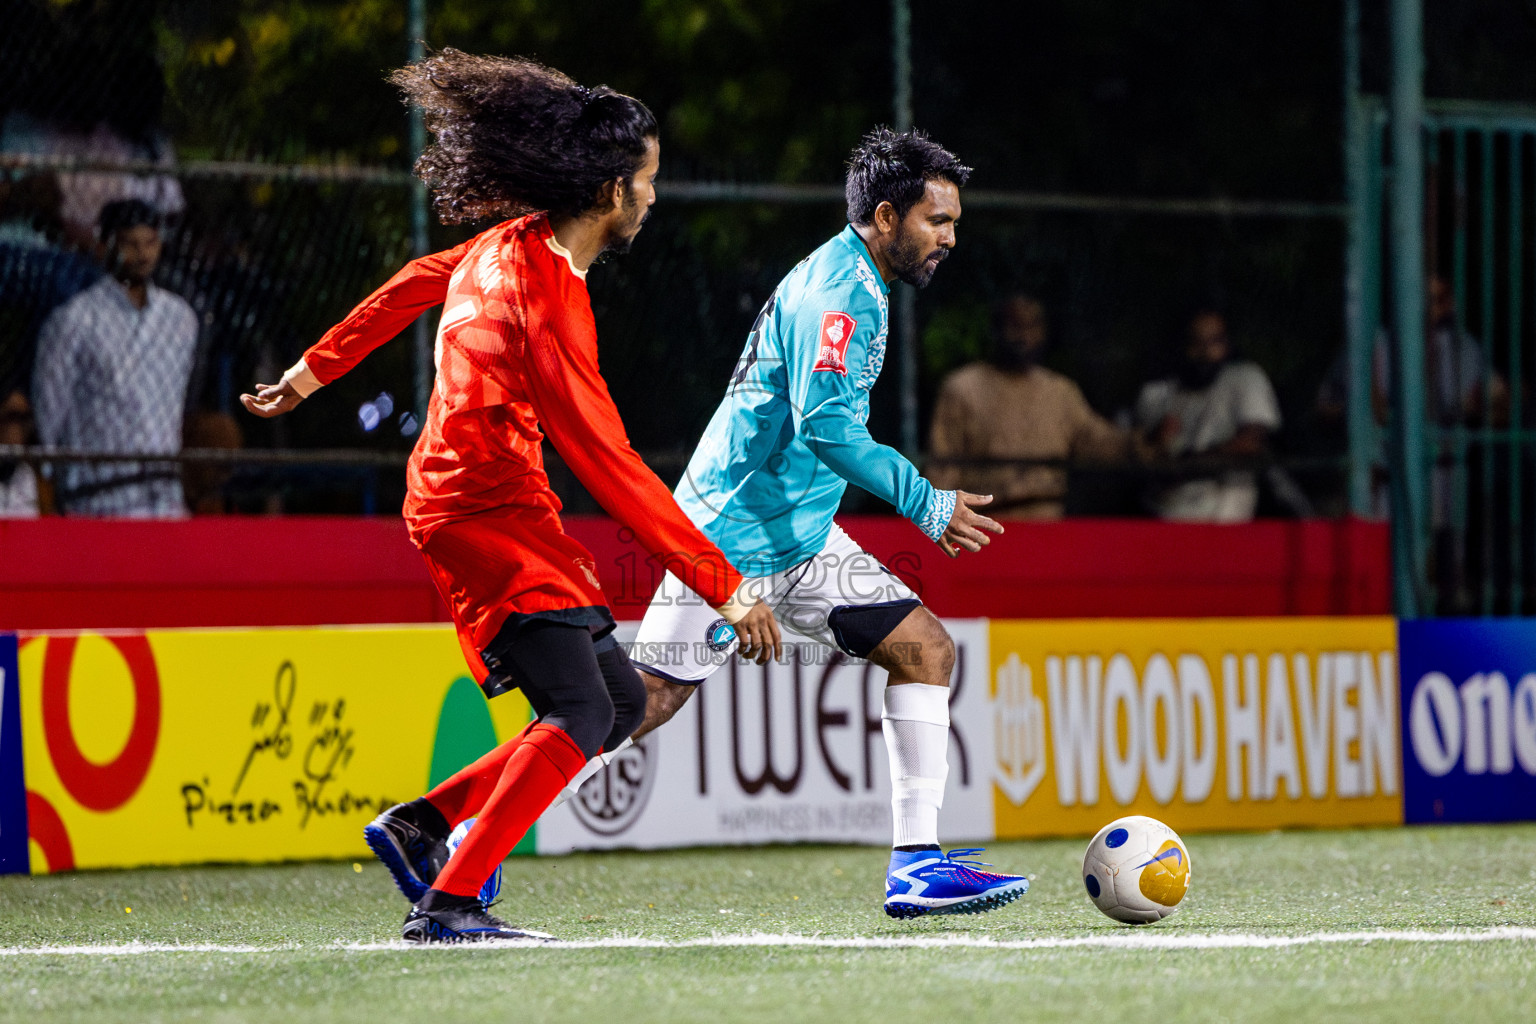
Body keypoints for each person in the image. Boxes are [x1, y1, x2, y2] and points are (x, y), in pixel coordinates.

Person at [240, 51, 780, 944]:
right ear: (612, 191)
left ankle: (419, 824)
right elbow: (614, 471)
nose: (655, 197)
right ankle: (451, 902)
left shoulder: (507, 243)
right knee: (578, 712)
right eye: (649, 181)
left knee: (615, 704)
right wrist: (726, 585)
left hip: (481, 502)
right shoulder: (553, 303)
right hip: (484, 512)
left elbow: (416, 281)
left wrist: (308, 374)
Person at [623, 127, 1030, 920]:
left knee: (924, 650)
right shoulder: (841, 293)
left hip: (800, 537)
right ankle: (466, 834)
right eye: (937, 221)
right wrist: (926, 501)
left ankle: (916, 867)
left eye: (953, 221)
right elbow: (828, 430)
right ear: (886, 215)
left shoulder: (857, 278)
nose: (952, 237)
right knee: (643, 704)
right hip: (730, 537)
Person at [32, 198, 197, 517]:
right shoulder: (74, 320)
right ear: (105, 246)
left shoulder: (180, 319)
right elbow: (49, 413)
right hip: (97, 495)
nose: (142, 254)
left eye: (150, 242)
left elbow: (179, 399)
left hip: (165, 494)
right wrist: (55, 478)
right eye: (130, 244)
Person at [927, 293, 1142, 518]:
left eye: (1032, 326)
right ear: (996, 329)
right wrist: (938, 519)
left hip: (1048, 521)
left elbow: (1098, 443)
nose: (1023, 336)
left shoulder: (1060, 392)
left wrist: (1144, 444)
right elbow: (942, 467)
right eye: (1015, 325)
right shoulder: (962, 388)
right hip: (985, 521)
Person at [1133, 308, 1281, 522]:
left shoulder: (1244, 378)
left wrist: (1186, 464)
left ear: (1227, 345)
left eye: (1214, 341)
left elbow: (1250, 444)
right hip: (1163, 519)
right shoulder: (1156, 394)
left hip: (1223, 521)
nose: (1205, 352)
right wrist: (1155, 443)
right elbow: (1142, 458)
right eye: (1195, 342)